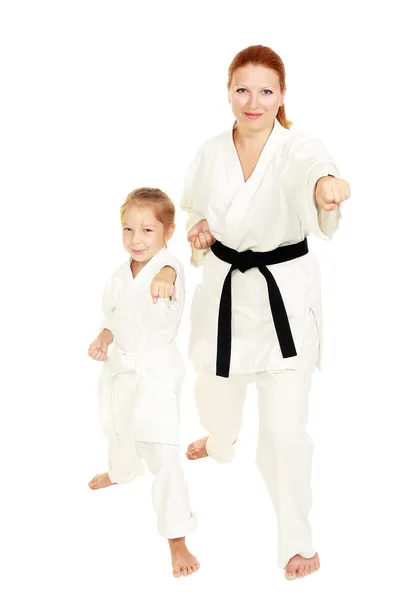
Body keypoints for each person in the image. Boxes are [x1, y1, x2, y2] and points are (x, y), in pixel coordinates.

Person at [181, 45, 350, 580]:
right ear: (228, 91)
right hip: (226, 299)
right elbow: (196, 213)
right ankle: (218, 439)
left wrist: (328, 190)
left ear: (282, 96)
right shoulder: (210, 151)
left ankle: (297, 541)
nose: (253, 101)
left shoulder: (298, 146)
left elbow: (316, 171)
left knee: (284, 435)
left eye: (266, 91)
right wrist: (201, 232)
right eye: (242, 89)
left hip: (284, 308)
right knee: (214, 398)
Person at [88, 187, 200, 578]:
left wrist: (166, 275)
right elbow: (114, 315)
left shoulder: (168, 270)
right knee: (118, 430)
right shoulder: (121, 275)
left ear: (168, 232)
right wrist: (104, 337)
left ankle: (177, 538)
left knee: (163, 452)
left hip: (154, 373)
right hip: (121, 369)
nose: (136, 240)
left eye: (148, 231)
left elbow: (170, 273)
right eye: (128, 230)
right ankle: (121, 472)